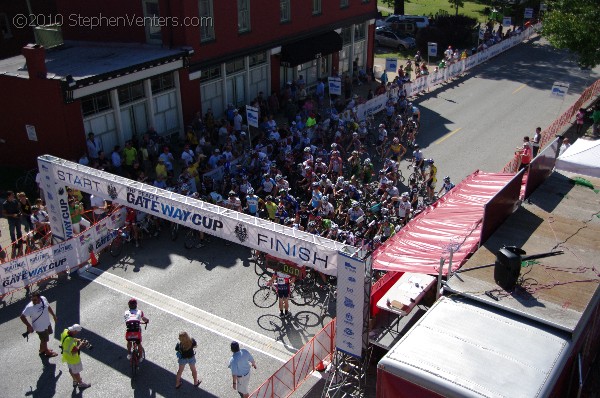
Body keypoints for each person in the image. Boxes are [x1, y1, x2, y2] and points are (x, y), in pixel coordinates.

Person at [20, 292, 59, 358]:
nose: (33, 301)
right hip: (39, 327)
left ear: (39, 298)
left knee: (44, 339)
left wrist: (54, 315)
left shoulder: (43, 299)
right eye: (32, 299)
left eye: (35, 299)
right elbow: (22, 317)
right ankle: (47, 352)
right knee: (45, 340)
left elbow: (48, 306)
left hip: (47, 323)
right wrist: (29, 326)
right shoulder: (30, 307)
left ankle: (41, 350)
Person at [60, 324, 91, 389]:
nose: (77, 333)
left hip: (66, 356)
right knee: (76, 372)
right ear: (75, 331)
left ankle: (75, 380)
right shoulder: (70, 341)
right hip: (73, 359)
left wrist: (76, 340)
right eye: (77, 332)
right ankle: (80, 383)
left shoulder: (65, 331)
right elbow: (74, 351)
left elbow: (67, 337)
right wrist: (81, 344)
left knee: (71, 369)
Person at [3, 191, 23, 256]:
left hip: (17, 218)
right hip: (11, 220)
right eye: (12, 195)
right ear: (8, 196)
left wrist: (19, 213)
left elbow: (19, 208)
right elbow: (4, 213)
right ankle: (14, 244)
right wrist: (12, 215)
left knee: (19, 231)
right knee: (12, 232)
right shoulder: (5, 204)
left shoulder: (15, 201)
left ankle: (20, 242)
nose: (13, 196)